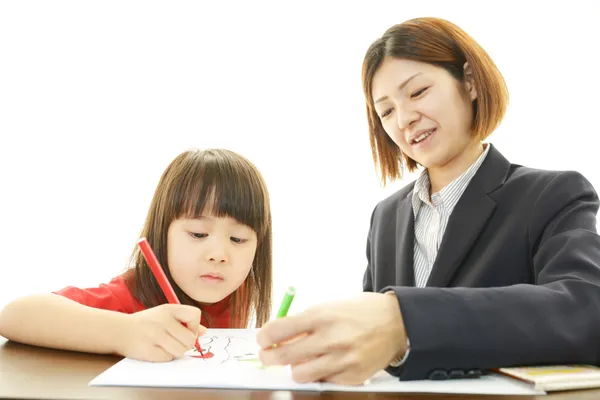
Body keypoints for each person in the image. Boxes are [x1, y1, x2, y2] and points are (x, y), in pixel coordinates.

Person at [256, 17, 600, 385]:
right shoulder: (386, 217)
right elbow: (380, 351)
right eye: (386, 111)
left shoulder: (551, 194)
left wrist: (403, 318)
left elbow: (586, 310)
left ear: (468, 82)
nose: (404, 118)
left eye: (417, 92)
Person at [0, 148, 273, 362]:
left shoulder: (235, 289)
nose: (219, 255)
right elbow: (14, 316)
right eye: (198, 234)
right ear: (161, 233)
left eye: (238, 239)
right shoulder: (128, 297)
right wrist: (124, 331)